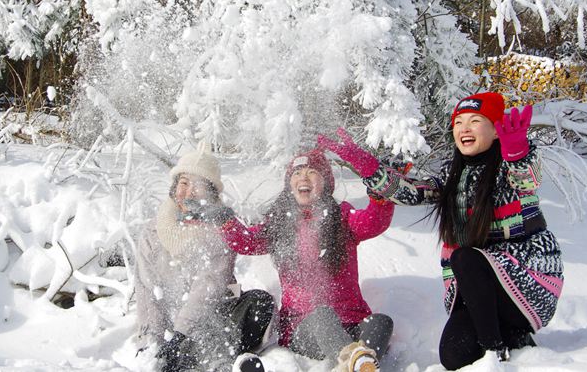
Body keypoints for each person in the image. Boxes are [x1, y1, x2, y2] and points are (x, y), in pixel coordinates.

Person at [319, 92, 564, 370]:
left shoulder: (509, 165)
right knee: (453, 355)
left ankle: (497, 354)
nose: (465, 129)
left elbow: (528, 180)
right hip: (478, 293)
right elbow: (411, 193)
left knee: (465, 257)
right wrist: (367, 166)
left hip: (528, 281)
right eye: (459, 123)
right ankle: (510, 337)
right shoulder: (452, 174)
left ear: (496, 131)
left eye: (475, 121)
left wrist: (517, 151)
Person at [219, 148, 396, 372]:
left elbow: (374, 222)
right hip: (303, 327)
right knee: (323, 316)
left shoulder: (341, 217)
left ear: (325, 182)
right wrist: (225, 221)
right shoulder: (280, 224)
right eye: (296, 173)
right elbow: (246, 242)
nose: (303, 177)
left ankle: (361, 363)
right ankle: (355, 362)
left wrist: (381, 193)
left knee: (381, 322)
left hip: (352, 322)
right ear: (289, 185)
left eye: (312, 171)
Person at [134, 142, 275, 372]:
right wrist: (152, 342)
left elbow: (208, 289)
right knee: (178, 350)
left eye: (198, 185)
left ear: (211, 192)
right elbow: (147, 290)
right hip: (172, 323)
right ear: (174, 188)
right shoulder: (153, 232)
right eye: (184, 183)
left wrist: (181, 335)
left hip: (214, 315)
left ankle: (221, 363)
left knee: (258, 305)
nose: (189, 192)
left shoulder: (221, 229)